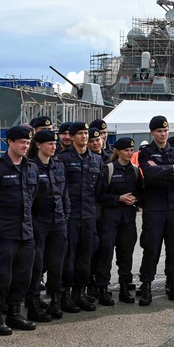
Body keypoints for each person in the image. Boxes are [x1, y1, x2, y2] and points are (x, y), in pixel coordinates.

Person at [0, 125, 41, 335]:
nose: (25, 145)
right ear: (10, 142)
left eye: (28, 142)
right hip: (4, 233)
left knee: (23, 276)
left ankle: (14, 314)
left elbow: (33, 197)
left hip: (26, 232)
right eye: (21, 141)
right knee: (2, 276)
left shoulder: (31, 168)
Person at [137, 115, 174, 305]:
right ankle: (147, 286)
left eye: (166, 131)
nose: (163, 134)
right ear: (152, 132)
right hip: (155, 208)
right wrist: (172, 168)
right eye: (159, 131)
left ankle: (173, 284)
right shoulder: (146, 153)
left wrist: (163, 169)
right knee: (151, 248)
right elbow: (149, 175)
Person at [56, 122, 102, 313]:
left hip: (89, 214)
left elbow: (98, 189)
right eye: (80, 134)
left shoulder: (96, 159)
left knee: (85, 255)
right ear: (72, 137)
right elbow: (60, 189)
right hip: (71, 215)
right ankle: (65, 295)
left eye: (86, 133)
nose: (84, 137)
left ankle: (80, 292)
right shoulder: (63, 159)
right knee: (69, 256)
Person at [95, 137, 143, 304]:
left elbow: (141, 193)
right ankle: (102, 288)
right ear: (118, 151)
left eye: (131, 150)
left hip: (128, 218)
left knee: (126, 254)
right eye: (126, 150)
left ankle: (124, 287)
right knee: (106, 253)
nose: (129, 153)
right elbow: (100, 195)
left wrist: (135, 199)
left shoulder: (135, 170)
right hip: (110, 217)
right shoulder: (108, 169)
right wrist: (118, 199)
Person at [30, 129, 71, 318]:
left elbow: (64, 194)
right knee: (37, 265)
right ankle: (34, 302)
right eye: (50, 144)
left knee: (57, 264)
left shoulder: (59, 165)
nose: (54, 147)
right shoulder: (31, 167)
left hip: (58, 221)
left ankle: (55, 301)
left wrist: (65, 214)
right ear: (39, 145)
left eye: (55, 144)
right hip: (39, 222)